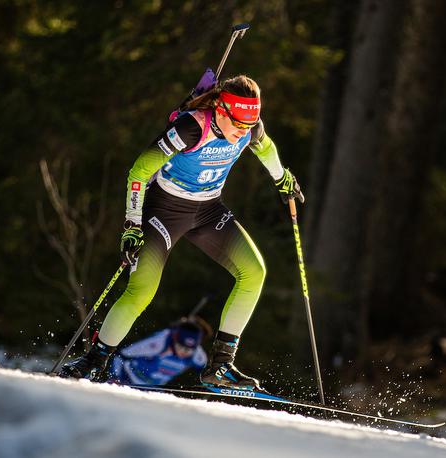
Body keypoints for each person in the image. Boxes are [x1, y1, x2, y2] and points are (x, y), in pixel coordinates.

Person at [60, 75, 303, 390]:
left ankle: (220, 365)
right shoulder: (191, 127)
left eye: (248, 125)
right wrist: (132, 225)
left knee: (254, 272)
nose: (241, 133)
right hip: (165, 211)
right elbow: (140, 170)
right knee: (142, 290)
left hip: (208, 210)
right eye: (237, 125)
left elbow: (265, 146)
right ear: (220, 109)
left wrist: (281, 177)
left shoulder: (249, 127)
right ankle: (94, 361)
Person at [107, 317, 212, 386]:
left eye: (189, 349)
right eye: (181, 347)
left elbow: (207, 374)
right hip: (128, 380)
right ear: (174, 338)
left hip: (151, 388)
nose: (184, 352)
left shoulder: (198, 355)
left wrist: (207, 385)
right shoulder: (159, 342)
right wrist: (115, 377)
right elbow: (121, 355)